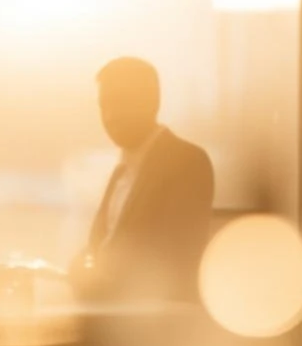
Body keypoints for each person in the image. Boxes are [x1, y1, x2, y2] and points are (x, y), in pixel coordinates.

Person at [70, 57, 214, 303]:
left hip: (150, 318)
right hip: (109, 312)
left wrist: (101, 281)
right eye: (104, 106)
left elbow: (174, 260)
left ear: (152, 102)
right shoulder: (121, 172)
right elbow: (100, 247)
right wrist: (79, 268)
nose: (110, 116)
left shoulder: (187, 161)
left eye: (121, 103)